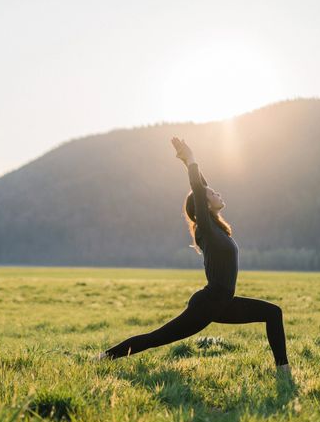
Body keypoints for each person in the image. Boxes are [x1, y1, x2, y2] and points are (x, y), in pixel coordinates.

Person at [98, 137, 291, 376]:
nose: (217, 193)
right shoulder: (206, 229)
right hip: (208, 303)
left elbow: (202, 186)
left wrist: (187, 163)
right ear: (205, 205)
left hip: (224, 303)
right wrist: (191, 160)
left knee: (273, 313)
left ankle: (283, 373)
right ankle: (103, 358)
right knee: (157, 338)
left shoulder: (216, 227)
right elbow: (199, 190)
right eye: (213, 194)